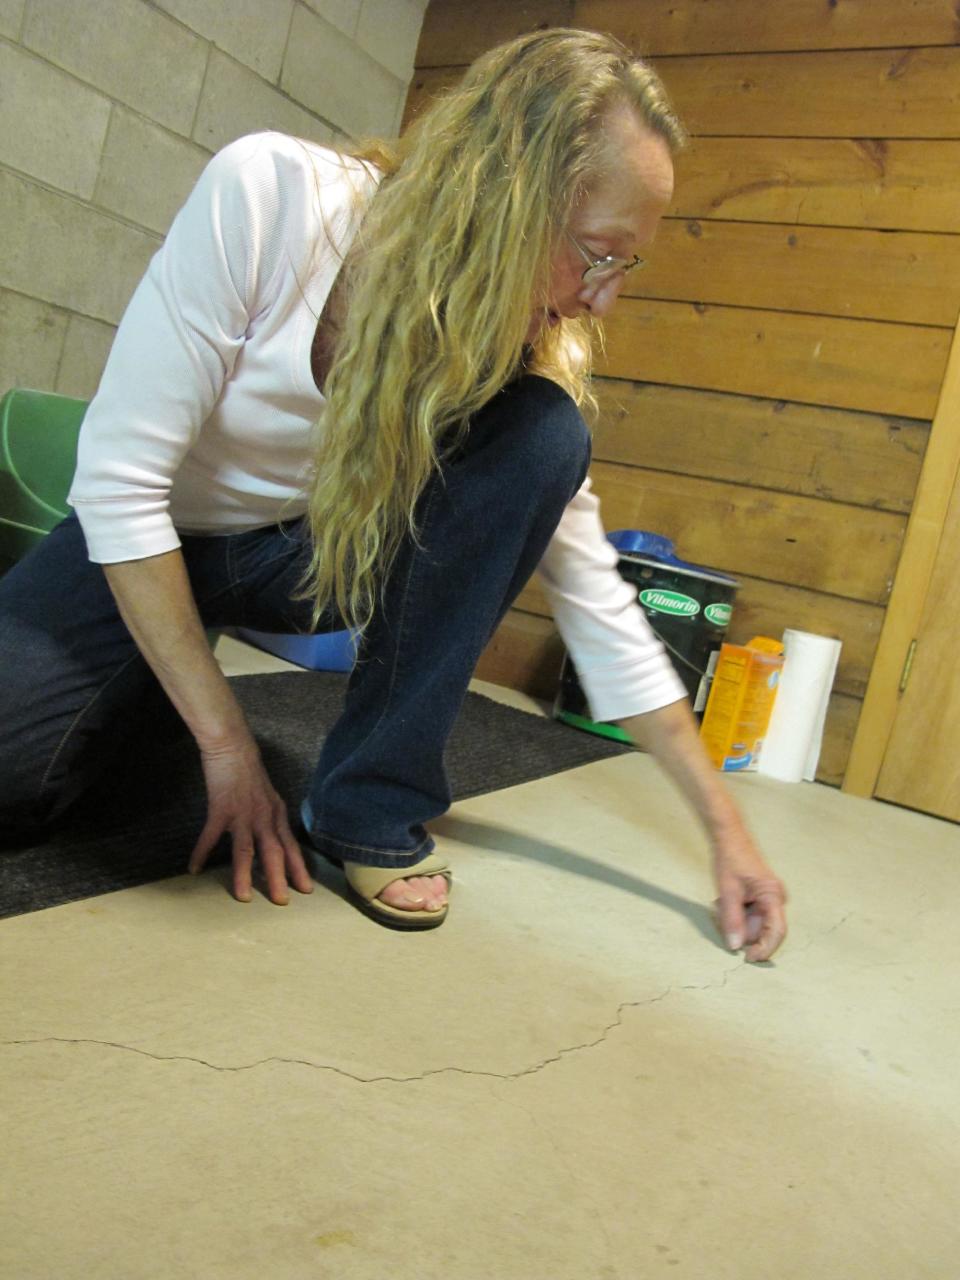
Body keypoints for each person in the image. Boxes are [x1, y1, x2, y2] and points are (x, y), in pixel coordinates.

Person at [0, 29, 786, 958]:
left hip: (304, 559)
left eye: (624, 267)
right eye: (598, 255)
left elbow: (595, 603)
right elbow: (122, 485)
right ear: (506, 198)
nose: (600, 299)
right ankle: (163, 690)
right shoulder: (272, 194)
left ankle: (367, 806)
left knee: (547, 434)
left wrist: (727, 832)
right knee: (16, 785)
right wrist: (226, 744)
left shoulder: (515, 348)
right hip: (146, 542)